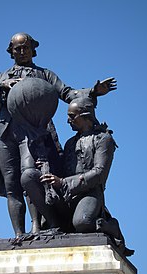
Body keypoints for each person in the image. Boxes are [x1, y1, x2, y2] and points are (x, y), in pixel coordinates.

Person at [0, 32, 116, 237]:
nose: (22, 51)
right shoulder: (3, 76)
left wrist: (93, 91)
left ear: (33, 49)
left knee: (31, 177)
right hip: (5, 133)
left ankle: (37, 227)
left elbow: (67, 93)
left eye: (25, 47)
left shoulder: (45, 75)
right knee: (12, 186)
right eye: (17, 48)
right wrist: (2, 86)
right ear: (11, 51)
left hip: (34, 133)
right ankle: (19, 234)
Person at [40, 90, 134, 256]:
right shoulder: (70, 143)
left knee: (83, 223)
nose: (68, 120)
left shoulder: (104, 139)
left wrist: (63, 182)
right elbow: (62, 169)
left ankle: (111, 226)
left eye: (72, 116)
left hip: (90, 192)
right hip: (67, 194)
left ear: (85, 116)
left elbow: (99, 173)